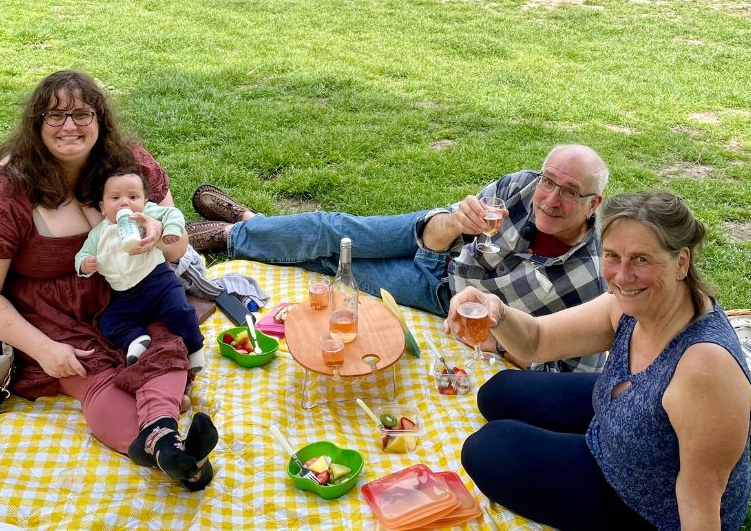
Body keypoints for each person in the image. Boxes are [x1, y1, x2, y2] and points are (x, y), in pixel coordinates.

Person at [0, 70, 218, 491]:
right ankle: (163, 449)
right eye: (54, 116)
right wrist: (44, 350)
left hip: (124, 292)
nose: (70, 126)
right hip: (44, 314)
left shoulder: (128, 166)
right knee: (92, 371)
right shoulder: (3, 192)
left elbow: (175, 246)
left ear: (100, 118)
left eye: (82, 113)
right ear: (36, 123)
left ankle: (168, 444)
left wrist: (160, 233)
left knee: (167, 345)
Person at [457, 192, 751, 531]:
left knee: (487, 447)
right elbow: (536, 341)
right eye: (612, 256)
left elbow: (699, 499)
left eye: (641, 259)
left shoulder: (705, 368)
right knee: (498, 392)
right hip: (624, 420)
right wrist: (495, 311)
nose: (622, 276)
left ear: (681, 262)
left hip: (655, 512)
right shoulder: (634, 304)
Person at [187, 144, 609, 372]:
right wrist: (454, 222)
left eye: (570, 192)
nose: (551, 198)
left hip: (441, 291)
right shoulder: (519, 187)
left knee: (336, 266)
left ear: (594, 204)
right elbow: (437, 228)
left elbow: (566, 374)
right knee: (329, 228)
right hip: (436, 240)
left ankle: (250, 225)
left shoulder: (591, 278)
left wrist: (495, 343)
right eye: (548, 182)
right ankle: (236, 229)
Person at [75, 167, 205, 372]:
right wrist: (85, 264)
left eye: (133, 196)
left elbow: (173, 213)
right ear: (102, 208)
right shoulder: (97, 234)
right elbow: (81, 254)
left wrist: (170, 229)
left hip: (158, 280)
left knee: (180, 311)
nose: (124, 202)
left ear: (145, 202)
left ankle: (195, 348)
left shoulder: (145, 214)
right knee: (110, 323)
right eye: (115, 197)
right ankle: (136, 339)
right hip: (125, 294)